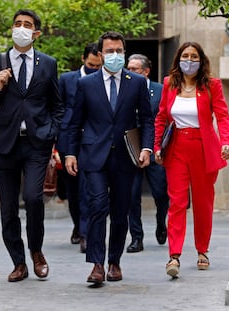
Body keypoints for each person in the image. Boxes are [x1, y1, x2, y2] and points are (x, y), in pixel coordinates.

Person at [0, 9, 64, 282]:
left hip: (37, 143)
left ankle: (36, 251)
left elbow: (57, 105)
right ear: (12, 29)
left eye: (27, 25)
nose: (21, 28)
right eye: (17, 24)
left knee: (35, 199)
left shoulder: (48, 63)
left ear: (36, 32)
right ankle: (18, 262)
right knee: (8, 208)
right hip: (5, 144)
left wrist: (52, 132)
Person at [65, 31, 154, 285]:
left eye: (119, 51)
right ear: (101, 54)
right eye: (110, 51)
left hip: (126, 157)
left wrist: (146, 148)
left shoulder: (135, 83)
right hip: (93, 156)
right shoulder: (85, 84)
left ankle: (114, 261)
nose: (114, 55)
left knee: (119, 210)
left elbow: (147, 119)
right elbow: (75, 122)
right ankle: (96, 264)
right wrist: (70, 153)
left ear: (124, 53)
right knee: (97, 206)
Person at [154, 42, 229, 278]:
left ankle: (202, 250)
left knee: (203, 202)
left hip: (203, 148)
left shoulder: (212, 85)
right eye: (185, 55)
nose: (189, 60)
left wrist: (227, 141)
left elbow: (223, 116)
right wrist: (157, 146)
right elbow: (161, 118)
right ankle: (174, 255)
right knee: (177, 202)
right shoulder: (169, 84)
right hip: (177, 147)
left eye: (194, 56)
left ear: (201, 60)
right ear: (178, 59)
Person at [56, 42, 102, 253]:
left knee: (87, 190)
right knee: (73, 192)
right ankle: (77, 224)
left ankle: (85, 234)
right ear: (84, 60)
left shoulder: (103, 79)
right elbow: (58, 108)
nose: (94, 69)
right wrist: (56, 144)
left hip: (92, 142)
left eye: (97, 66)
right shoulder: (67, 79)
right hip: (68, 141)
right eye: (91, 65)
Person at [125, 54, 169, 253]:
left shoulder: (160, 91)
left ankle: (161, 222)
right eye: (128, 68)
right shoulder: (123, 89)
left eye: (134, 69)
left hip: (154, 150)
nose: (129, 72)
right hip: (131, 151)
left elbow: (166, 120)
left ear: (146, 71)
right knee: (131, 196)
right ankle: (136, 237)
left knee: (160, 193)